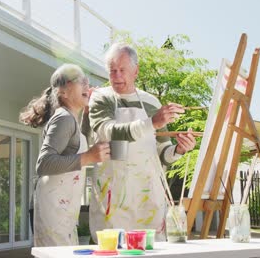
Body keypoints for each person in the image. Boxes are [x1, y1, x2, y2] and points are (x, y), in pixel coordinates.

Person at [88, 43, 197, 241]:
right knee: (113, 250)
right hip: (113, 195)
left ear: (136, 71)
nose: (117, 76)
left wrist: (180, 149)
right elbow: (107, 131)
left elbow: (163, 152)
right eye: (112, 71)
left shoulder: (152, 102)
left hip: (147, 195)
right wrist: (152, 123)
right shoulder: (100, 97)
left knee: (150, 250)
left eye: (122, 70)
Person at [19, 63, 110, 247]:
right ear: (63, 92)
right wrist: (89, 157)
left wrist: (87, 111)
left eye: (87, 81)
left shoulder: (70, 118)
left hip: (60, 207)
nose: (87, 84)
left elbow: (78, 142)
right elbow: (44, 164)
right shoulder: (64, 118)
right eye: (80, 81)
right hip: (52, 208)